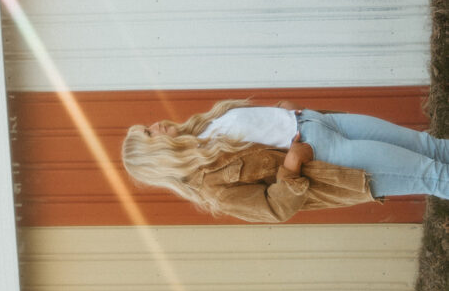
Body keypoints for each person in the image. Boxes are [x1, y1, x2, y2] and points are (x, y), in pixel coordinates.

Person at [121, 100, 449, 223]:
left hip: (318, 123)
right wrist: (291, 165)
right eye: (148, 135)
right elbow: (272, 209)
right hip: (328, 160)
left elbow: (257, 132)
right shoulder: (210, 185)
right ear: (156, 157)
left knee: (431, 147)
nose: (154, 126)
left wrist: (281, 115)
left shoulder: (201, 128)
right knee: (433, 175)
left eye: (146, 128)